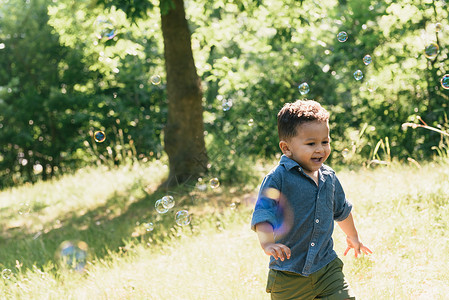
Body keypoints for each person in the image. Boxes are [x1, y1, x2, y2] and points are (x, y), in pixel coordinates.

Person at [251, 99, 371, 300]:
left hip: (327, 269)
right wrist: (267, 244)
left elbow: (341, 210)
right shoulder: (277, 178)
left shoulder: (329, 177)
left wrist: (353, 237)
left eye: (325, 142)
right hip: (289, 275)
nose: (320, 149)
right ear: (286, 148)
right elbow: (264, 214)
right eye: (311, 143)